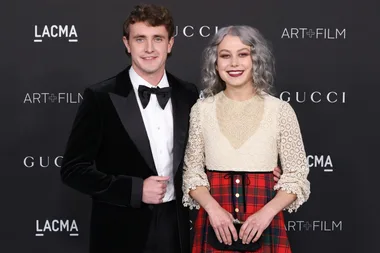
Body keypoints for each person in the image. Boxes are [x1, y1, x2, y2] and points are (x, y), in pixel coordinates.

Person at [60, 4, 283, 253]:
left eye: (158, 39)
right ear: (127, 43)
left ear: (170, 44)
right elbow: (73, 170)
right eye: (140, 39)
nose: (149, 48)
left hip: (176, 227)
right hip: (120, 230)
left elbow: (202, 155)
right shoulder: (101, 97)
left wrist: (259, 168)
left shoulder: (187, 94)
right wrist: (134, 189)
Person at [182, 25, 311, 253]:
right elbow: (192, 173)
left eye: (243, 54)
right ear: (215, 63)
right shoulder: (201, 110)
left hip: (267, 225)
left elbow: (296, 176)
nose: (234, 63)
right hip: (214, 225)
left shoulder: (280, 110)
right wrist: (213, 209)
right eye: (225, 56)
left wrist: (265, 214)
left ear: (256, 60)